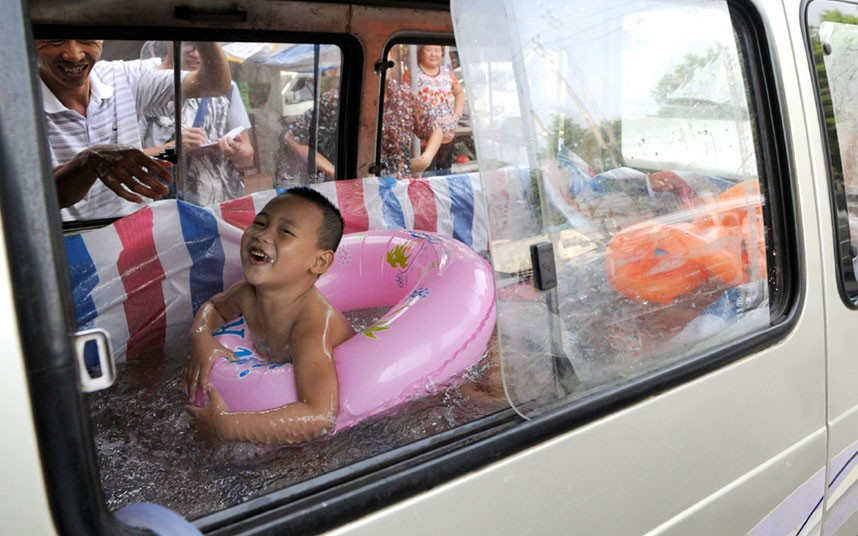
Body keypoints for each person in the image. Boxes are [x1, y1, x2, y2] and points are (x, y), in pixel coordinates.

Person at [184, 187, 356, 444]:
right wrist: (201, 337)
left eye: (285, 231)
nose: (262, 234)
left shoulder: (312, 324)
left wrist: (229, 427)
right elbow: (216, 308)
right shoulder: (247, 293)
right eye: (260, 223)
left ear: (319, 263)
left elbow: (321, 415)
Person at [37, 39, 230, 221]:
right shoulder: (16, 103)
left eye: (86, 39)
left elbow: (214, 85)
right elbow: (41, 196)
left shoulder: (123, 77)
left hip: (133, 235)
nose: (74, 55)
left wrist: (197, 22)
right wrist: (89, 162)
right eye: (55, 40)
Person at [141, 41, 255, 206]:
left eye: (205, 46)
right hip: (165, 209)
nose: (196, 54)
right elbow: (129, 162)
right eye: (189, 45)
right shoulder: (144, 85)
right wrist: (174, 150)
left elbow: (247, 156)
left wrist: (234, 150)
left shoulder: (227, 88)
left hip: (219, 207)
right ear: (170, 41)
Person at [276, 82, 442, 182]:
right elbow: (292, 136)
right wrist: (331, 170)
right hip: (353, 190)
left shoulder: (404, 96)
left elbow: (434, 129)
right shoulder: (337, 99)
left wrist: (424, 160)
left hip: (398, 191)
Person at [403, 44, 465, 171]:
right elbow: (404, 99)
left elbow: (459, 93)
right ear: (421, 53)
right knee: (425, 175)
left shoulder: (447, 73)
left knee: (444, 173)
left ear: (442, 54)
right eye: (429, 50)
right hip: (423, 138)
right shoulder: (412, 73)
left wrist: (457, 114)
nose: (433, 54)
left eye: (437, 51)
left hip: (447, 136)